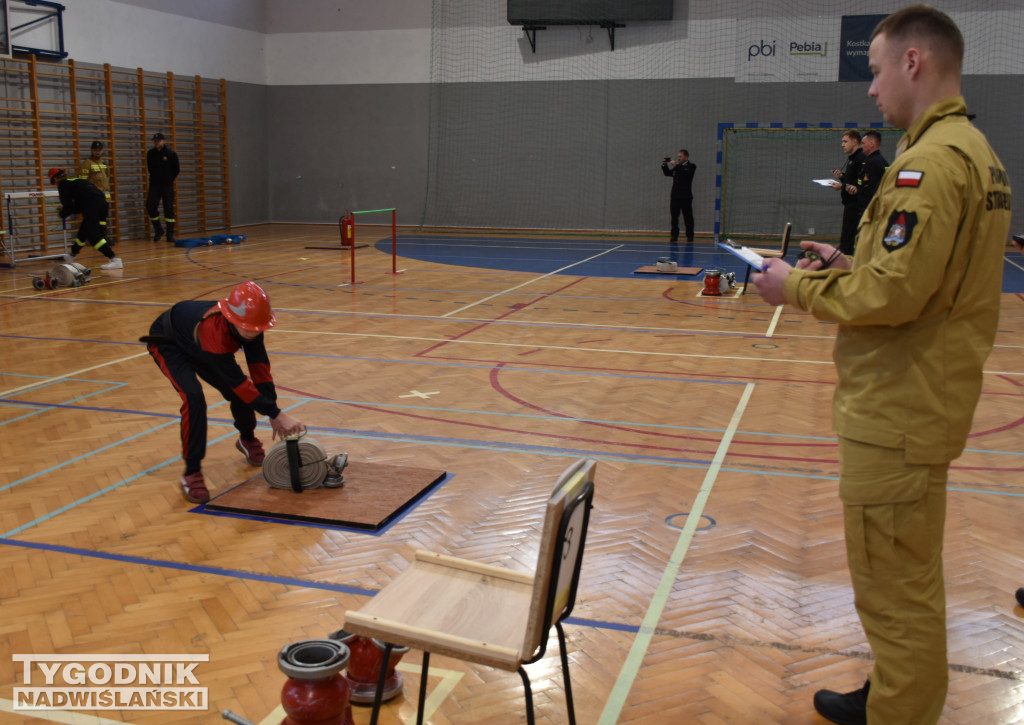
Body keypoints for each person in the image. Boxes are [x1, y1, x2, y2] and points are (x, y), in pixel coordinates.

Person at [751, 5, 1011, 724]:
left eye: (874, 69)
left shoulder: (928, 162)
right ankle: (897, 691)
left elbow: (895, 293)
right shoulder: (974, 151)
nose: (871, 90)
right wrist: (848, 260)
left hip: (898, 410)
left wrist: (793, 287)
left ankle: (901, 711)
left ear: (914, 63)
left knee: (895, 588)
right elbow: (920, 274)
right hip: (923, 401)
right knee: (903, 577)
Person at [141, 281, 305, 504]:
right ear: (231, 319)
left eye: (257, 329)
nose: (252, 332)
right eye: (247, 328)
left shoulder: (253, 325)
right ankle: (191, 473)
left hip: (199, 343)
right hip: (169, 342)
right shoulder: (214, 331)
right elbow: (237, 383)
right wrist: (278, 414)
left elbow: (260, 369)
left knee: (244, 392)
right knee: (194, 398)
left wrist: (272, 412)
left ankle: (246, 439)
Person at [48, 167, 122, 270]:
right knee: (83, 232)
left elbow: (69, 207)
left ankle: (115, 259)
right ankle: (71, 256)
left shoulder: (62, 185)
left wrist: (61, 214)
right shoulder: (74, 181)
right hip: (102, 202)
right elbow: (79, 207)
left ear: (54, 179)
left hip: (92, 204)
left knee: (93, 237)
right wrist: (65, 209)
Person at [829, 130, 867, 255]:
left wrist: (842, 186)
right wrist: (842, 177)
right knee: (846, 236)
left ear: (855, 141)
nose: (842, 144)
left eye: (845, 141)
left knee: (850, 238)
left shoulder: (861, 158)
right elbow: (852, 180)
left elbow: (859, 184)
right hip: (849, 204)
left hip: (856, 205)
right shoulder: (852, 159)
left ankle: (847, 265)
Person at [146, 132, 180, 243]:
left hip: (167, 186)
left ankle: (170, 234)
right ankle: (158, 230)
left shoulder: (170, 154)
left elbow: (176, 169)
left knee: (168, 209)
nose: (157, 143)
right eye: (155, 141)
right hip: (155, 185)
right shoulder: (150, 154)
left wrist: (168, 179)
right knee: (150, 206)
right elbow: (150, 168)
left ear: (163, 141)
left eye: (159, 141)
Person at [80, 140, 114, 243]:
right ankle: (96, 238)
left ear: (103, 150)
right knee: (95, 218)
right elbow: (83, 181)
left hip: (105, 195)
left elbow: (107, 176)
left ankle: (104, 238)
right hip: (94, 196)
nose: (97, 152)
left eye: (99, 150)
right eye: (95, 150)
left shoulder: (103, 163)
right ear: (91, 150)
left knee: (103, 218)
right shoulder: (87, 163)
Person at [660, 149, 696, 242]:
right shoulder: (678, 167)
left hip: (686, 197)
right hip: (675, 196)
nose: (678, 158)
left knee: (688, 217)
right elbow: (668, 173)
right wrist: (664, 165)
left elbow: (686, 174)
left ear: (686, 157)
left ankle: (690, 235)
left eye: (680, 156)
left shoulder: (691, 166)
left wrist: (676, 166)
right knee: (674, 217)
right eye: (678, 156)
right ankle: (674, 235)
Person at [857, 130, 889, 216]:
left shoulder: (872, 163)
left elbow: (869, 189)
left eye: (863, 143)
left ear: (871, 144)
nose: (861, 146)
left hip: (870, 209)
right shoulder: (882, 161)